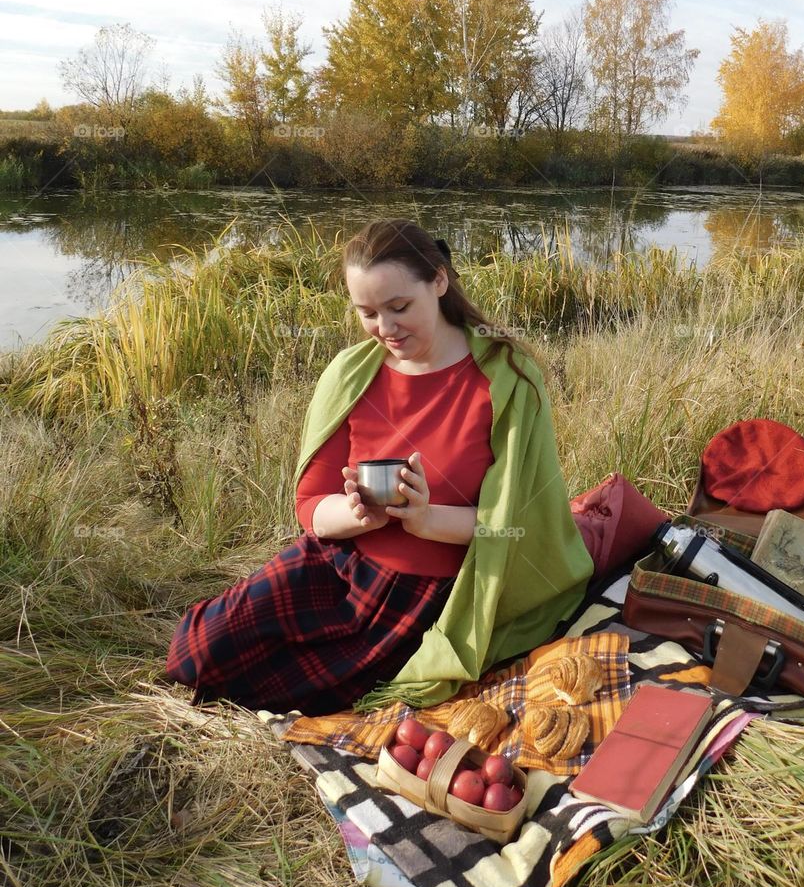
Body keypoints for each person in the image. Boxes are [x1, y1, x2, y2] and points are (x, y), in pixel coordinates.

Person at [164, 218, 594, 716]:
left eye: (399, 307)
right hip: (337, 564)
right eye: (367, 312)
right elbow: (309, 506)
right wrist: (355, 516)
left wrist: (427, 520)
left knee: (312, 698)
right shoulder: (351, 373)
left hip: (424, 595)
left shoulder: (508, 380)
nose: (385, 329)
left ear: (438, 280)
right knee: (194, 658)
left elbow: (522, 528)